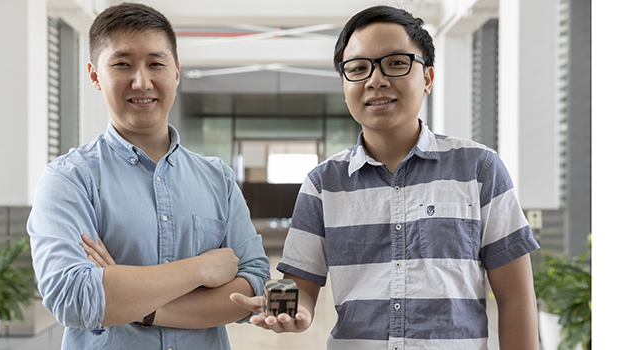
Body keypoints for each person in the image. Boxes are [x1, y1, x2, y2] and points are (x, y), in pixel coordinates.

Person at [230, 5, 540, 350]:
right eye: (358, 68)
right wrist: (290, 311)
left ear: (427, 78)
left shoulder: (479, 169)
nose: (375, 80)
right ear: (345, 84)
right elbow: (300, 283)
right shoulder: (323, 184)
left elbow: (515, 297)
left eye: (395, 63)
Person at [26, 3, 270, 349]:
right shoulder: (69, 180)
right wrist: (201, 269)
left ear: (176, 72)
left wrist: (133, 301)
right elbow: (74, 297)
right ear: (95, 75)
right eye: (122, 64)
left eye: (156, 63)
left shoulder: (217, 179)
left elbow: (255, 285)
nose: (142, 81)